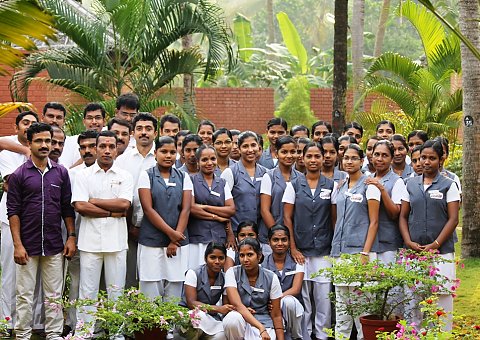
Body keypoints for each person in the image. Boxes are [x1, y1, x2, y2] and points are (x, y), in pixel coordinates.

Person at [7, 122, 76, 340]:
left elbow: (67, 207)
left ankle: (54, 334)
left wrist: (71, 237)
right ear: (29, 143)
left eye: (48, 141)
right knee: (25, 295)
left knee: (54, 295)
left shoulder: (61, 173)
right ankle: (23, 335)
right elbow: (13, 212)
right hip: (27, 245)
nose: (45, 145)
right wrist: (17, 245)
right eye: (40, 141)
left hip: (54, 244)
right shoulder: (19, 175)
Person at [72, 131, 133, 336]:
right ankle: (85, 333)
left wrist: (94, 201)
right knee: (87, 291)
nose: (107, 151)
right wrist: (110, 212)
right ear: (96, 148)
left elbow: (124, 204)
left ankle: (117, 332)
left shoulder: (125, 175)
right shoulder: (82, 175)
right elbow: (80, 206)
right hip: (89, 242)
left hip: (117, 242)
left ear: (117, 150)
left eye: (111, 147)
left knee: (116, 291)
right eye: (103, 146)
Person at [399, 140, 460, 330]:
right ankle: (413, 334)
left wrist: (435, 244)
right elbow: (403, 216)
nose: (426, 162)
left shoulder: (448, 185)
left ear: (441, 160)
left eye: (431, 158)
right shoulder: (409, 184)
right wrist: (408, 241)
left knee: (441, 299)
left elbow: (453, 219)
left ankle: (442, 334)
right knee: (413, 299)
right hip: (414, 252)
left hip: (441, 253)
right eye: (422, 158)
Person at [283, 141, 337, 340]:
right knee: (304, 296)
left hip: (324, 249)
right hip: (301, 250)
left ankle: (322, 335)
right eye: (309, 156)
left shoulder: (332, 186)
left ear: (324, 159)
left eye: (317, 156)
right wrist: (293, 248)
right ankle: (304, 335)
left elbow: (334, 218)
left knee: (323, 297)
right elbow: (287, 217)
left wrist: (333, 247)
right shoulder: (294, 185)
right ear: (302, 159)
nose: (313, 160)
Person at [330, 144, 381, 339]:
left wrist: (365, 253)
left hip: (361, 254)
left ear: (362, 161)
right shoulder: (341, 185)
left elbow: (374, 222)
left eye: (353, 158)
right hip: (340, 253)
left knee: (363, 309)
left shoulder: (370, 186)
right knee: (342, 309)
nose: (349, 161)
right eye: (346, 158)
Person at [0, 111, 41, 334]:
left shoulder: (44, 152)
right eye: (25, 123)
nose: (29, 127)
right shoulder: (7, 154)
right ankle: (7, 322)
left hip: (36, 222)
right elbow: (12, 185)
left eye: (34, 123)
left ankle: (29, 324)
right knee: (10, 274)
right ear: (16, 128)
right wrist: (26, 151)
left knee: (33, 276)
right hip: (9, 221)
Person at [137, 136, 192, 300]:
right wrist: (172, 234)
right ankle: (151, 326)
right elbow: (148, 209)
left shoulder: (184, 177)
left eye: (172, 152)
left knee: (175, 286)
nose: (168, 156)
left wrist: (175, 240)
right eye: (164, 151)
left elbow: (186, 208)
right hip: (151, 241)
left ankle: (171, 326)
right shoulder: (146, 176)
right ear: (155, 153)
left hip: (177, 243)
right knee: (150, 287)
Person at [115, 113, 158, 289]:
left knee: (153, 276)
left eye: (148, 129)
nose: (144, 133)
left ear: (156, 132)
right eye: (139, 129)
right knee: (129, 273)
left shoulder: (164, 156)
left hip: (157, 227)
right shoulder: (122, 160)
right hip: (127, 226)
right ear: (133, 132)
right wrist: (131, 225)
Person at [62, 130, 99, 336]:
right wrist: (71, 236)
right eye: (83, 147)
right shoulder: (72, 174)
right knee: (76, 283)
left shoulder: (114, 171)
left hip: (104, 239)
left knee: (99, 284)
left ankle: (100, 326)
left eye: (91, 146)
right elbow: (70, 208)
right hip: (77, 236)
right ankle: (75, 326)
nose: (87, 151)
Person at [223, 238, 285, 340]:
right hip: (241, 319)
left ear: (259, 256)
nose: (245, 259)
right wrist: (261, 328)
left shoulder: (271, 277)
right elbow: (237, 304)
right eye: (242, 255)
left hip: (264, 320)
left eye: (250, 255)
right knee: (232, 319)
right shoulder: (232, 272)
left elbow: (276, 314)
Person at [189, 144, 236, 268]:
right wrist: (218, 217)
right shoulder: (191, 180)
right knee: (198, 273)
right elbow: (192, 209)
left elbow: (231, 210)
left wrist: (204, 207)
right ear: (198, 162)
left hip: (219, 237)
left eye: (213, 159)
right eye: (204, 160)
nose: (209, 163)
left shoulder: (222, 183)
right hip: (198, 238)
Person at [180, 242, 233, 340]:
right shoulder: (193, 273)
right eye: (212, 257)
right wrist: (217, 309)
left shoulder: (225, 278)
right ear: (205, 258)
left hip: (210, 317)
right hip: (189, 315)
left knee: (222, 336)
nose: (217, 261)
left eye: (221, 258)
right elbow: (191, 303)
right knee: (198, 316)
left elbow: (226, 305)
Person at [366, 140, 407, 263]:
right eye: (377, 154)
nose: (379, 159)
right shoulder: (367, 178)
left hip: (388, 243)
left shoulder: (397, 181)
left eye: (385, 155)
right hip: (367, 242)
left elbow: (395, 213)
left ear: (392, 159)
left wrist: (382, 189)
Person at [263, 225, 307, 340]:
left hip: (292, 307)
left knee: (288, 302)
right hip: (270, 308)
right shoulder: (263, 265)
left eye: (284, 239)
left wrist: (276, 299)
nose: (280, 243)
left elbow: (296, 289)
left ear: (289, 241)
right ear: (269, 242)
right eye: (275, 240)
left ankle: (295, 336)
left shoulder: (298, 261)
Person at [221, 131, 267, 233]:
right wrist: (230, 234)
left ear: (258, 147)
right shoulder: (230, 172)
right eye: (245, 146)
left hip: (260, 233)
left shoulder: (266, 173)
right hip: (237, 232)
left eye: (253, 145)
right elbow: (222, 206)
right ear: (239, 149)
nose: (250, 150)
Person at [260, 136, 300, 252]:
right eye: (284, 152)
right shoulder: (269, 177)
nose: (289, 156)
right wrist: (278, 235)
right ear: (277, 154)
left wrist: (290, 239)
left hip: (295, 237)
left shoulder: (301, 178)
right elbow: (264, 210)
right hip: (273, 238)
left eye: (293, 152)